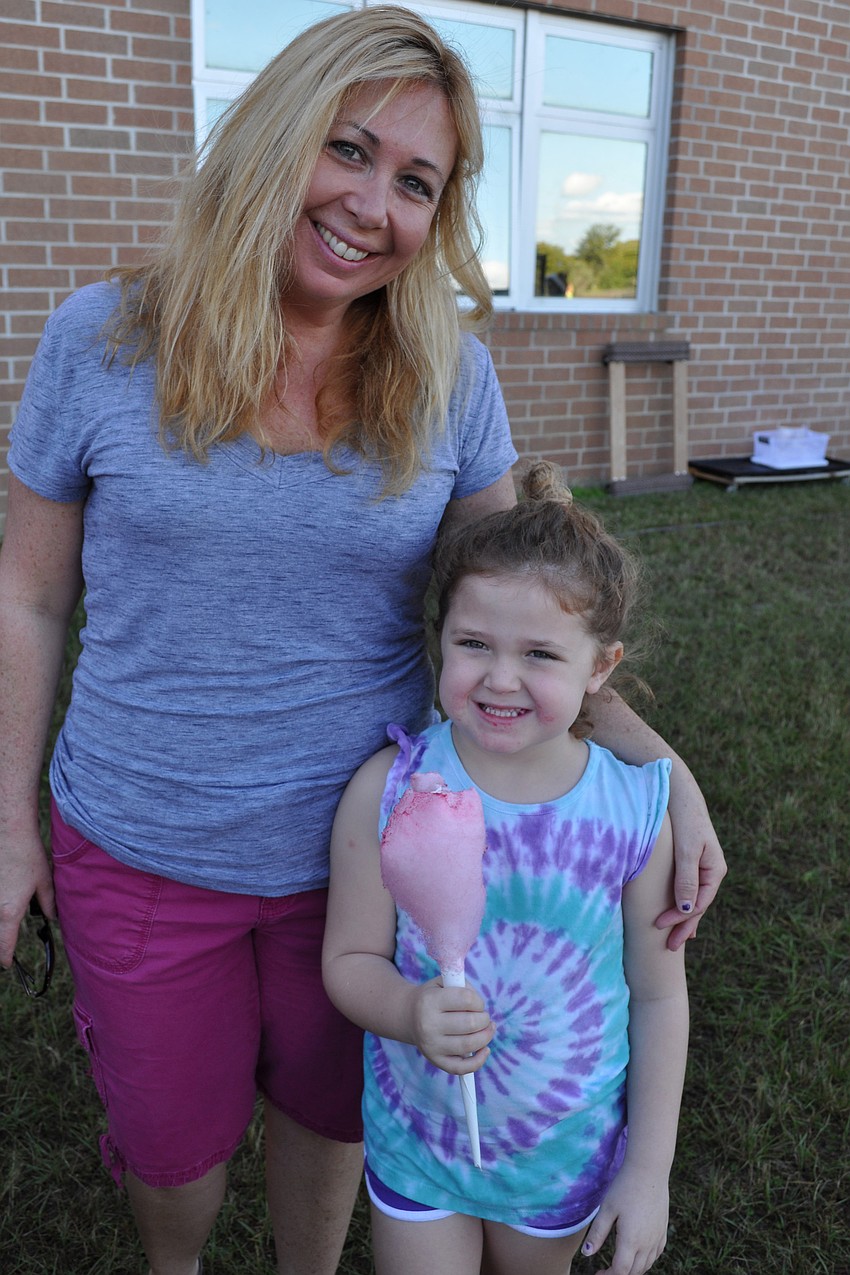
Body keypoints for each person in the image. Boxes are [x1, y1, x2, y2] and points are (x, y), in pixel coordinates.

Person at [0, 7, 722, 1275]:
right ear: (273, 137)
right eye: (347, 149)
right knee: (171, 1147)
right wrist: (11, 823)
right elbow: (28, 596)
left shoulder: (448, 373)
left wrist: (660, 766)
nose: (370, 206)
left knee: (337, 1112)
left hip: (380, 851)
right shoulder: (100, 341)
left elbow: (519, 609)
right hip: (142, 839)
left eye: (415, 183)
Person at [323, 461, 690, 1275]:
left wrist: (648, 1170)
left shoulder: (632, 812)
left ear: (600, 667)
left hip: (559, 1154)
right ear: (440, 638)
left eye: (540, 654)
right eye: (474, 644)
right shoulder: (390, 789)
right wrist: (409, 1009)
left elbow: (660, 996)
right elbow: (348, 959)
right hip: (420, 1145)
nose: (500, 677)